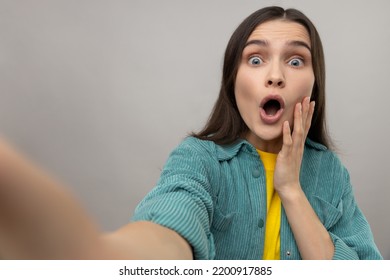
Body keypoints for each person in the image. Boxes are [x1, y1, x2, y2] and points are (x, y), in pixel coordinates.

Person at [0, 6, 383, 260]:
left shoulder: (330, 173)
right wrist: (100, 254)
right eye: (255, 58)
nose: (275, 74)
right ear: (234, 81)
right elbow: (171, 224)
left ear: (314, 83)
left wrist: (292, 191)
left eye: (296, 60)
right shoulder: (199, 159)